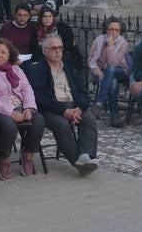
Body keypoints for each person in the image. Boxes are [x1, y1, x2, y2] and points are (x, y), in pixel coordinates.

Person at [25, 35, 100, 176]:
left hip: (73, 105)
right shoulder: (38, 69)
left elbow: (83, 91)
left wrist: (79, 108)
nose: (58, 51)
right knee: (61, 124)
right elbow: (40, 97)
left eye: (60, 48)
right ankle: (78, 162)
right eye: (54, 48)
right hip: (51, 109)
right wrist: (64, 111)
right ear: (45, 51)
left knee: (89, 118)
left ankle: (86, 156)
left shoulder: (68, 66)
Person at [0, 38, 45, 180]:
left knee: (38, 120)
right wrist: (11, 112)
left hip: (19, 106)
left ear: (9, 55)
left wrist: (29, 108)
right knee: (9, 125)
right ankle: (4, 157)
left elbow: (27, 89)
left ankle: (28, 154)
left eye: (3, 52)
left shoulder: (16, 69)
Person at [87, 18, 130, 124]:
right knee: (113, 82)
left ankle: (99, 104)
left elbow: (113, 64)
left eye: (116, 30)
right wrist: (97, 71)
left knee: (111, 70)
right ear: (106, 29)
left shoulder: (123, 43)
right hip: (102, 71)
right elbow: (90, 59)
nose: (113, 32)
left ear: (120, 31)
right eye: (111, 29)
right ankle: (114, 116)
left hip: (120, 71)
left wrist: (110, 45)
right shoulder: (99, 40)